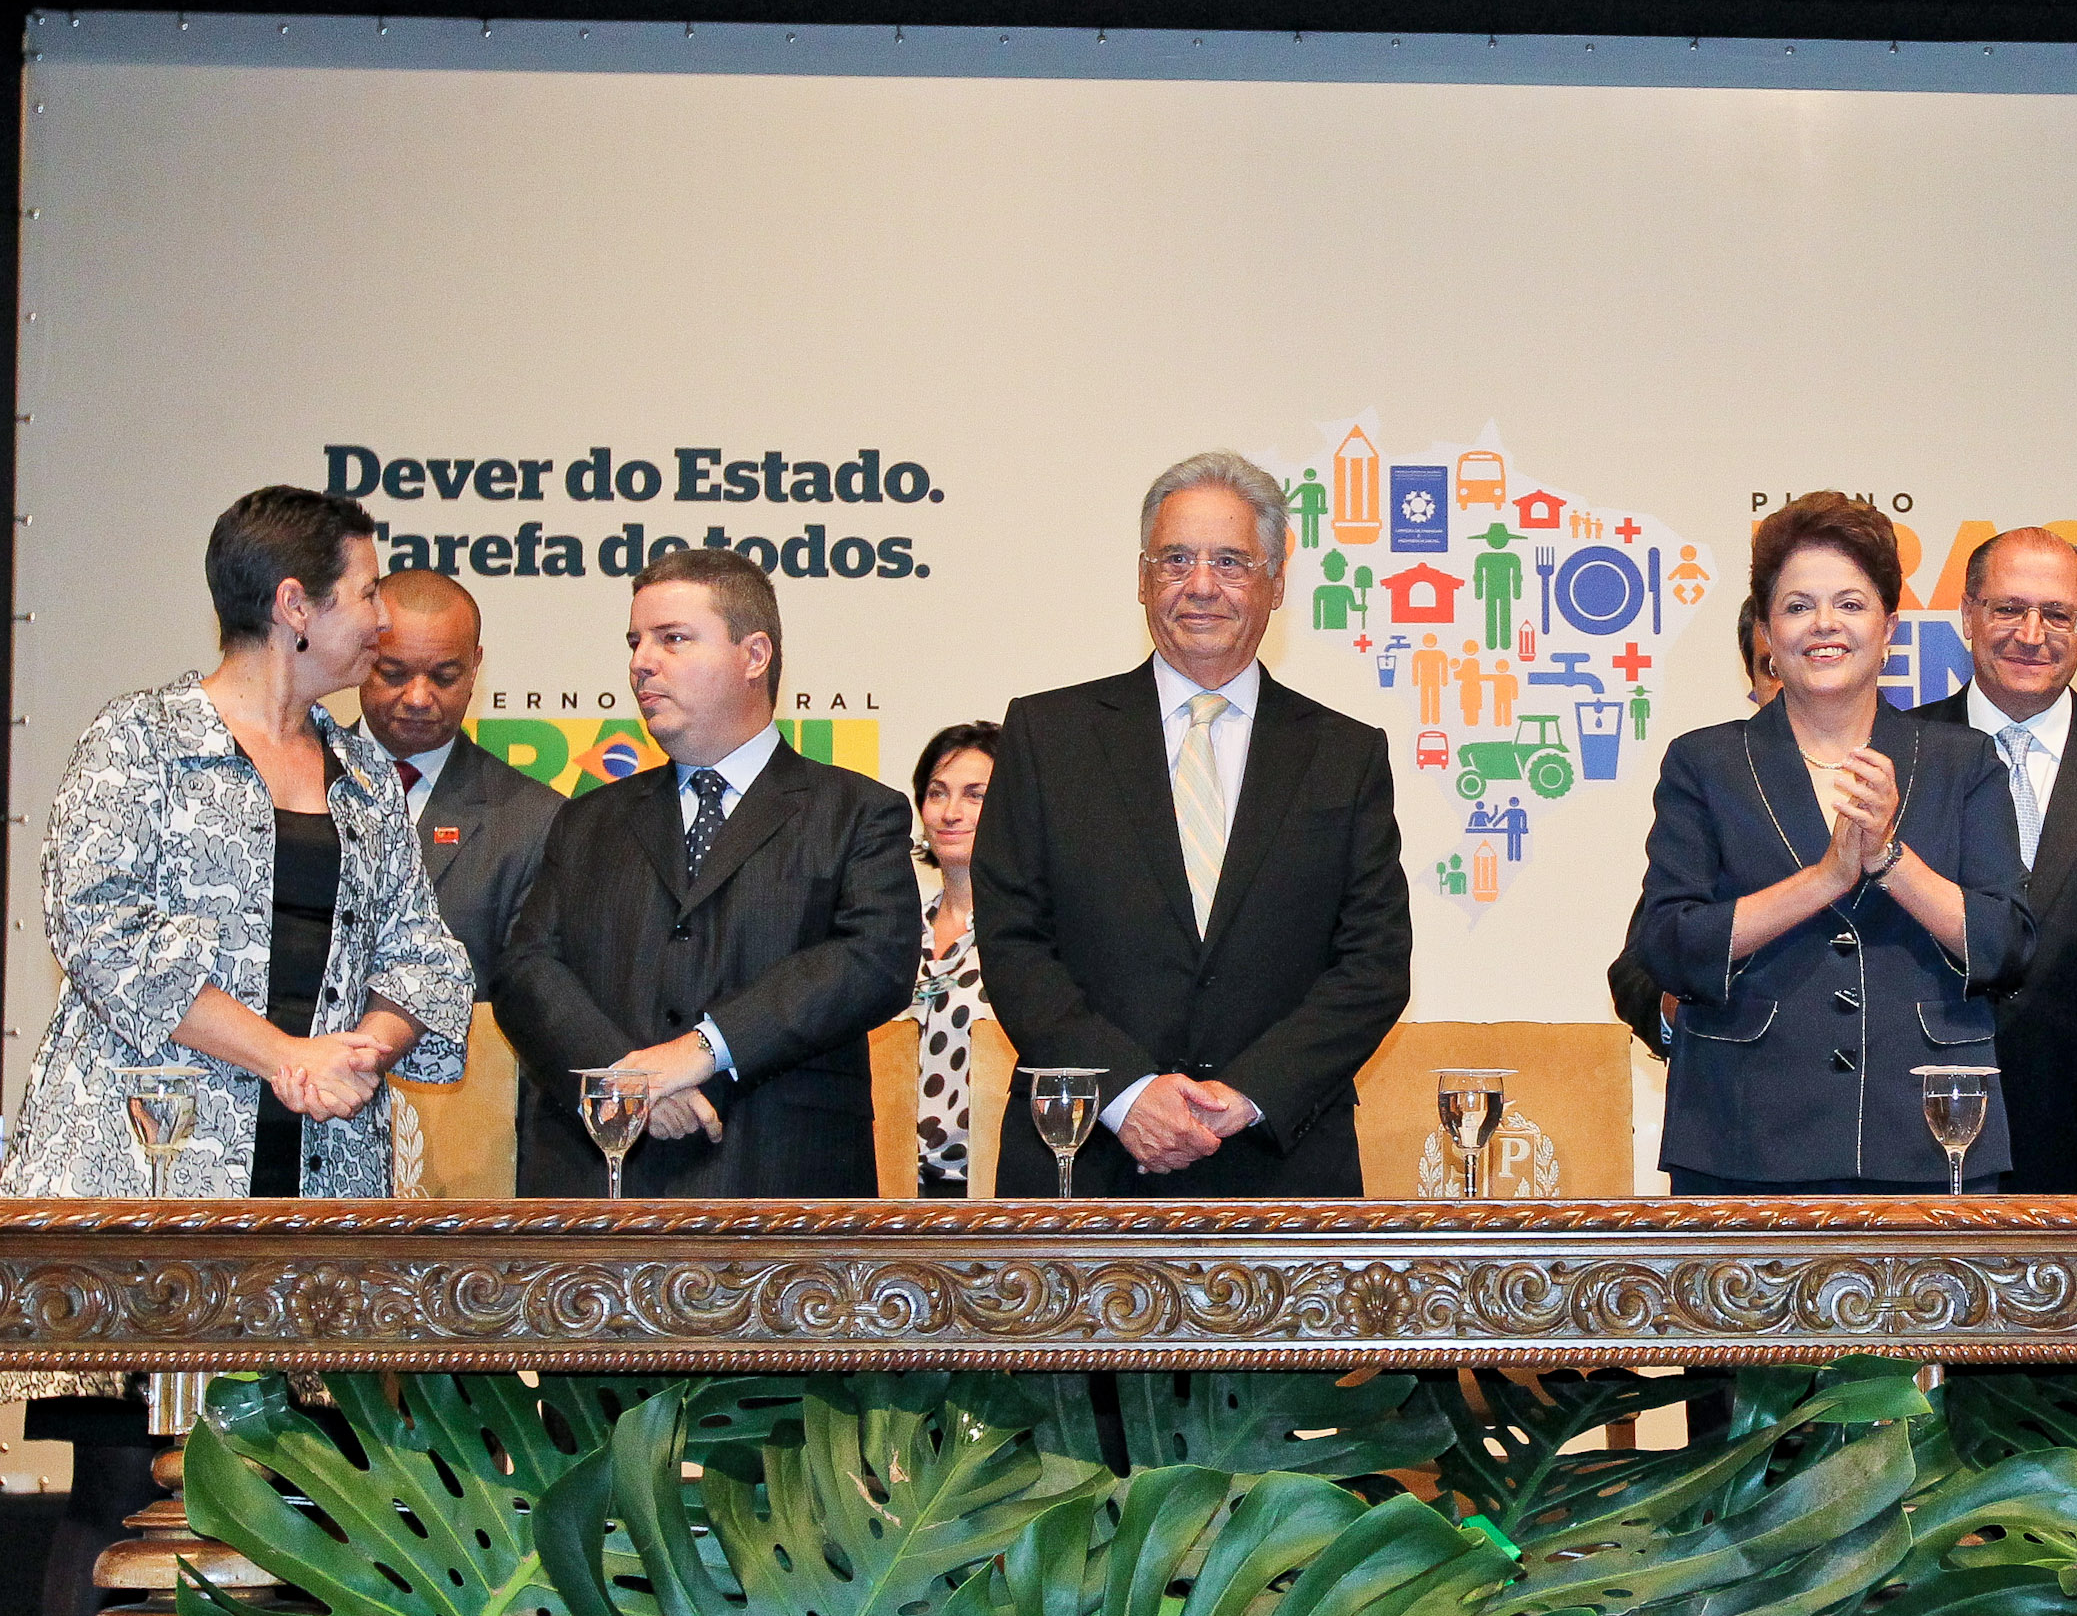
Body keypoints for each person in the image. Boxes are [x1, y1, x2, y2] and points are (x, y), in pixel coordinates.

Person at [1, 483, 470, 1616]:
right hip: (143, 1177)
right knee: (114, 1490)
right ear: (294, 604)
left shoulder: (359, 770)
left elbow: (428, 964)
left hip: (308, 1186)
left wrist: (362, 1054)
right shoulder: (138, 744)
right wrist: (278, 1054)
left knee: (284, 1495)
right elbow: (99, 928)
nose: (383, 620)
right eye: (367, 592)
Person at [973, 450, 1412, 1197]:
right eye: (1176, 559)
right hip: (1086, 1158)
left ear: (1275, 583)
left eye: (1232, 562)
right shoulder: (1048, 736)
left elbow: (1373, 964)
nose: (1201, 585)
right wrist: (1127, 1094)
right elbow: (1015, 946)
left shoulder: (1345, 754)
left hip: (1282, 1165)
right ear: (1142, 579)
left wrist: (1242, 1098)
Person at [1627, 490, 2031, 1192]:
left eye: (1850, 603)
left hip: (1929, 1143)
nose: (1824, 625)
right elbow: (1665, 944)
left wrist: (1888, 862)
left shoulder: (1961, 763)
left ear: (1889, 627)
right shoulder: (1705, 763)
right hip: (1742, 1140)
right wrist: (1824, 877)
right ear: (1766, 631)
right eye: (1796, 605)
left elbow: (2007, 944)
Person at [496, 549, 917, 1198]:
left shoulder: (857, 813)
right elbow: (526, 969)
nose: (641, 662)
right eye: (636, 641)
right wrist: (629, 1082)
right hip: (601, 1187)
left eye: (673, 639)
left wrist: (702, 1048)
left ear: (754, 655)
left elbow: (874, 960)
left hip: (780, 1186)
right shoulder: (587, 819)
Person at [1908, 526, 2077, 1195]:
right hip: (1919, 1132)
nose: (2031, 632)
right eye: (2008, 608)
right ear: (1967, 614)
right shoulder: (1901, 756)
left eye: (2057, 613)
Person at [356, 568, 561, 997]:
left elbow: (531, 993)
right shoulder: (292, 782)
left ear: (474, 667)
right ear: (362, 656)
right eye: (393, 673)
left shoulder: (535, 821)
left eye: (444, 676)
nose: (417, 697)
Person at [1608, 598, 1780, 1059]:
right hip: (1743, 1087)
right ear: (1752, 681)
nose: (1792, 687)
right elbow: (1638, 971)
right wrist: (1691, 1014)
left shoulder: (1921, 770)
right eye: (1772, 669)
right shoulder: (1713, 777)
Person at [907, 720, 1000, 1197]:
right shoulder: (894, 933)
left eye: (975, 795)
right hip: (891, 1192)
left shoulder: (1030, 941)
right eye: (937, 793)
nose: (950, 812)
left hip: (993, 1192)